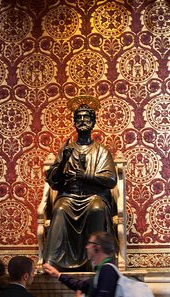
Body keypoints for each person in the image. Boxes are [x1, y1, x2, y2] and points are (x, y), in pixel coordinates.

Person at [42, 98, 117, 272]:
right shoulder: (66, 149)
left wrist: (86, 176)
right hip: (69, 197)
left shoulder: (102, 151)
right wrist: (63, 162)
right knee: (59, 210)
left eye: (86, 118)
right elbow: (53, 182)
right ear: (74, 123)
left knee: (97, 209)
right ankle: (51, 263)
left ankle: (96, 264)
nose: (83, 121)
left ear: (93, 122)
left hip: (94, 197)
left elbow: (111, 180)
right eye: (79, 118)